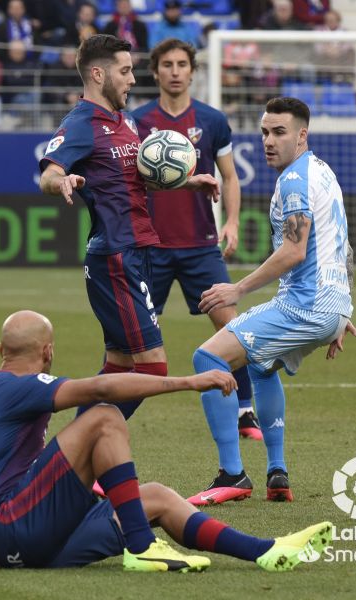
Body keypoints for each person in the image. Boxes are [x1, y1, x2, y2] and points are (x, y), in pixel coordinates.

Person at [0, 310, 333, 571]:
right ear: (47, 352)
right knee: (103, 417)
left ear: (0, 349)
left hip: (17, 543)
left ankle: (265, 550)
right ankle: (141, 546)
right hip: (18, 528)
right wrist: (189, 382)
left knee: (153, 497)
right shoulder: (21, 387)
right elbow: (100, 388)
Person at [186, 97, 356, 506]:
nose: (268, 140)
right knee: (261, 366)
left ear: (302, 136)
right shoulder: (323, 171)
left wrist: (236, 290)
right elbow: (343, 247)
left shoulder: (295, 179)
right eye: (264, 131)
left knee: (207, 359)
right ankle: (276, 472)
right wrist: (342, 311)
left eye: (279, 132)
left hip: (305, 305)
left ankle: (232, 475)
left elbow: (294, 251)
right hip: (329, 306)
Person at [39, 34, 219, 421]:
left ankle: (77, 459)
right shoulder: (81, 123)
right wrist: (63, 181)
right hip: (115, 256)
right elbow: (49, 174)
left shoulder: (127, 121)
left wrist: (189, 181)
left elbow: (137, 178)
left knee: (120, 365)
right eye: (125, 71)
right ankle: (80, 451)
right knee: (153, 367)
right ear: (99, 73)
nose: (133, 79)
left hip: (137, 250)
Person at [129, 39, 262, 443]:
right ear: (155, 72)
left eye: (181, 64)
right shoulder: (136, 122)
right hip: (150, 245)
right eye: (166, 64)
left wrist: (233, 222)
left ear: (192, 71)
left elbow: (231, 176)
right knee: (131, 335)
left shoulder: (213, 120)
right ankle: (114, 412)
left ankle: (245, 409)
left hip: (202, 244)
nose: (174, 71)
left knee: (231, 327)